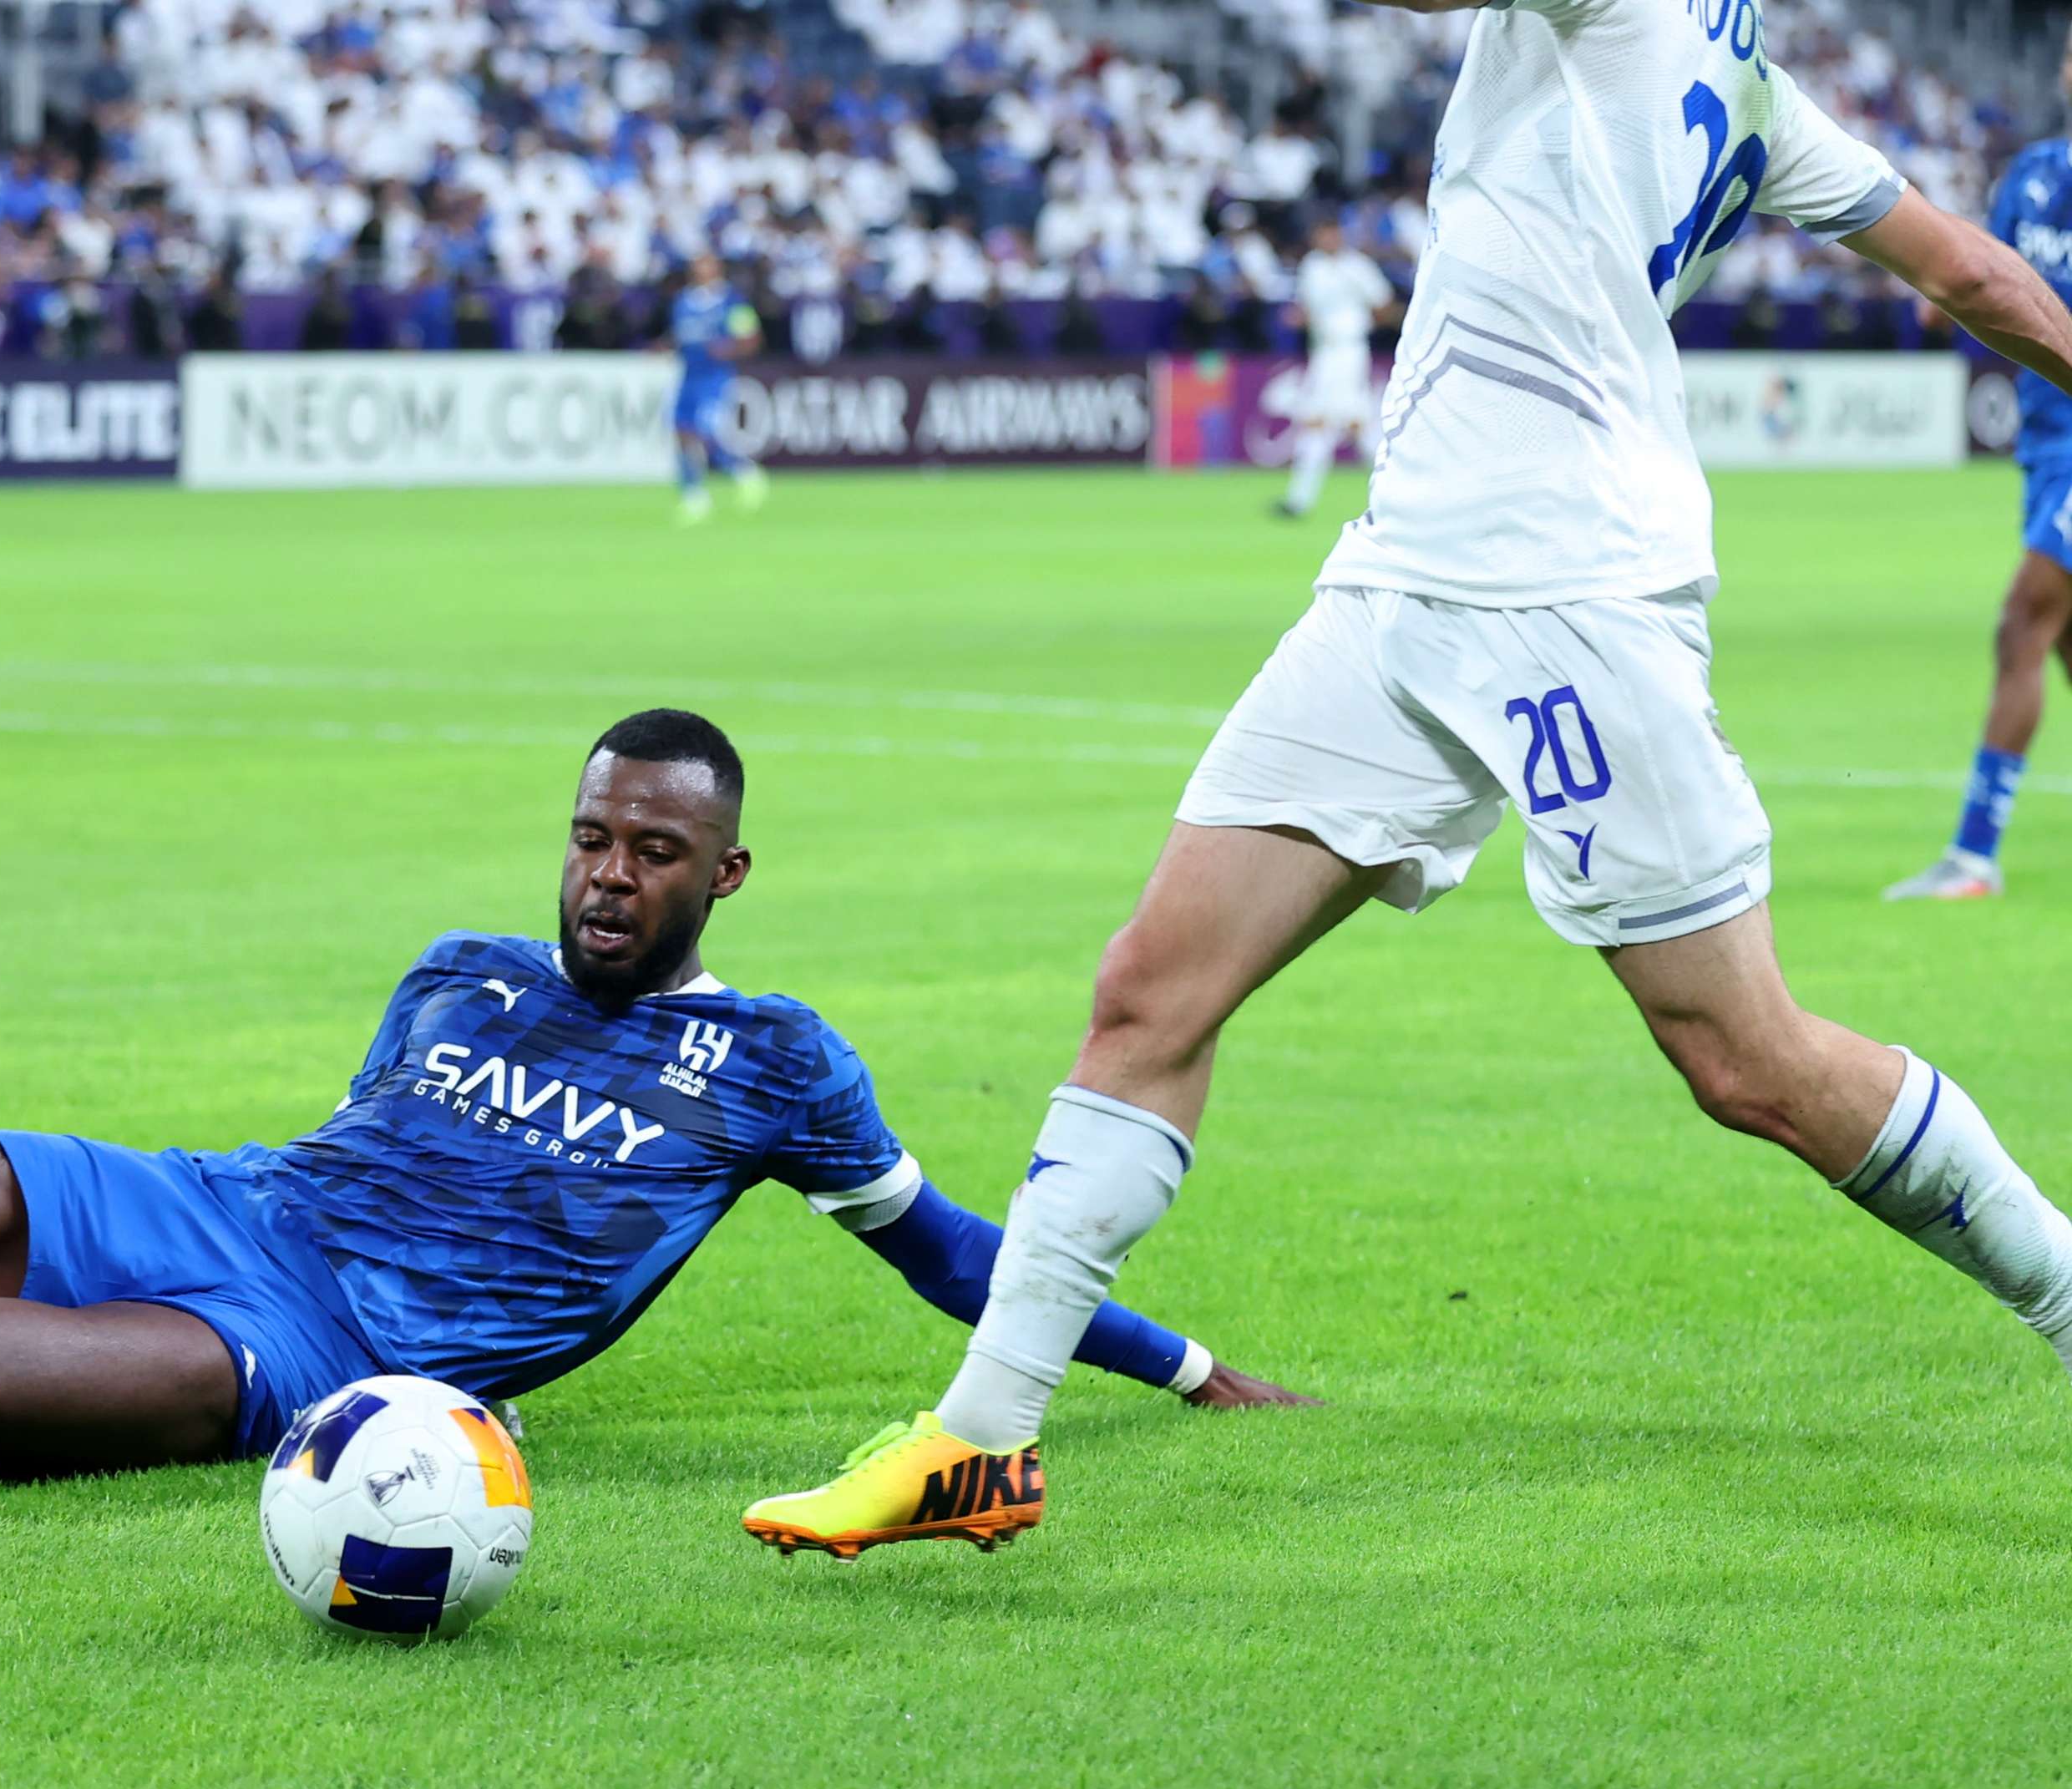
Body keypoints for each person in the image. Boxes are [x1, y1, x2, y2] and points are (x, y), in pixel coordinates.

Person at [743, 0, 2072, 1562]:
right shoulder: (1766, 94)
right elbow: (1974, 276)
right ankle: (982, 1438)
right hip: (1400, 589)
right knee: (1149, 990)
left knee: (1749, 1061)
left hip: (1569, 593)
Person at [0, 712, 1309, 1486]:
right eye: (590, 835)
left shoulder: (770, 1065)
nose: (608, 876)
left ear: (722, 877)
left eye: (654, 853)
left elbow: (951, 1257)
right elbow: (350, 1155)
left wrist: (1174, 1355)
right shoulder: (454, 973)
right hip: (208, 1213)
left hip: (326, 1357)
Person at [1885, 25, 2072, 901]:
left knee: (2020, 623)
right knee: (2062, 636)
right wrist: (1933, 305)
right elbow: (1981, 277)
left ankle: (1973, 857)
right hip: (2044, 442)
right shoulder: (2032, 173)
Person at [1274, 215, 1396, 521]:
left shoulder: (1357, 266)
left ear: (1339, 234)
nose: (1326, 239)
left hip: (1349, 351)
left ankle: (1391, 495)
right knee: (1344, 424)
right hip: (1323, 353)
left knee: (1344, 424)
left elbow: (1383, 304)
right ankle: (1300, 500)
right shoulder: (1311, 266)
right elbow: (1308, 307)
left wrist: (1357, 325)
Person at [666, 251, 766, 525]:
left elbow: (751, 338)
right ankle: (694, 497)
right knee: (681, 433)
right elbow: (681, 336)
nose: (701, 269)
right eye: (697, 264)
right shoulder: (683, 301)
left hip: (716, 377)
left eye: (707, 264)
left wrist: (728, 348)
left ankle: (743, 471)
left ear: (717, 268)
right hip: (688, 376)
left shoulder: (731, 301)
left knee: (707, 432)